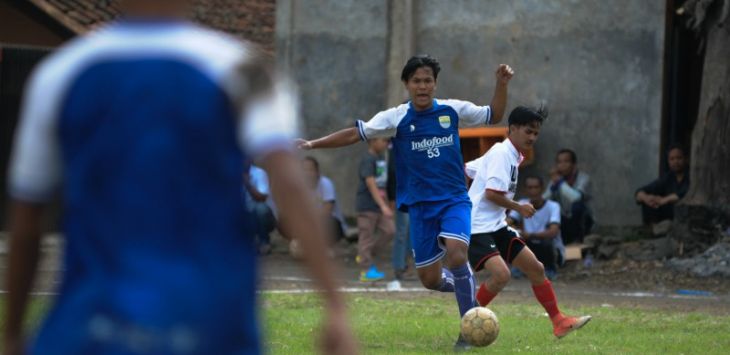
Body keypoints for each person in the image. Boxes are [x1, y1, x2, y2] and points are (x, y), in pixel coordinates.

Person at [2, 1, 357, 354]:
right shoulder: (243, 68)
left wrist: (14, 331)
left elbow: (28, 218)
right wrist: (336, 309)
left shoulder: (61, 73)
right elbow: (290, 183)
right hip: (210, 323)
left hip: (93, 324)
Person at [298, 54, 514, 349]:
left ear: (435, 84)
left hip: (454, 200)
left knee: (457, 254)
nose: (422, 86)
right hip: (420, 208)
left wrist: (501, 84)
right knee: (429, 279)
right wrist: (313, 143)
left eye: (427, 81)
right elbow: (355, 134)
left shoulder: (451, 110)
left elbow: (495, 114)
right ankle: (468, 290)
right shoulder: (396, 117)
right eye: (416, 81)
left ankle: (466, 331)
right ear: (406, 84)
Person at [466, 105, 591, 339]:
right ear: (512, 129)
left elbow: (470, 169)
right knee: (502, 275)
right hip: (477, 228)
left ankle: (559, 322)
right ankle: (468, 327)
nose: (532, 137)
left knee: (536, 268)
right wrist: (518, 207)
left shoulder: (510, 154)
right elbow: (491, 194)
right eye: (528, 131)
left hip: (496, 226)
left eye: (536, 133)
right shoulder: (502, 154)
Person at [507, 175, 565, 280]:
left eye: (536, 187)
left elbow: (553, 231)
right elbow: (508, 223)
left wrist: (530, 235)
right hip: (529, 244)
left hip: (547, 248)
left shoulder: (553, 206)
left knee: (546, 242)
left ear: (542, 188)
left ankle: (549, 269)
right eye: (530, 188)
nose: (533, 191)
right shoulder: (522, 204)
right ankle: (521, 268)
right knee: (514, 239)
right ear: (525, 190)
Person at [355, 138, 395, 282]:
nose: (386, 143)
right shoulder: (368, 159)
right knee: (366, 237)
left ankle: (364, 255)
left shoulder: (380, 158)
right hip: (367, 205)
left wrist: (387, 203)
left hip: (379, 206)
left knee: (390, 230)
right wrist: (383, 206)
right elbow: (371, 183)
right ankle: (365, 271)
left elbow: (383, 184)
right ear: (372, 141)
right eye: (383, 140)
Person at [543, 148, 593, 244]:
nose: (562, 165)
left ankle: (580, 239)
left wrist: (560, 183)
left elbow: (576, 198)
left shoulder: (584, 178)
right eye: (559, 162)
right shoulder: (556, 180)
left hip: (584, 221)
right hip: (564, 220)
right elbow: (544, 199)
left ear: (574, 165)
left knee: (577, 206)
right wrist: (553, 186)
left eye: (566, 161)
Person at [635, 144, 690, 225]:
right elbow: (642, 190)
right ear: (668, 161)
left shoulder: (692, 175)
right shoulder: (668, 177)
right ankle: (652, 230)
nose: (675, 161)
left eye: (679, 158)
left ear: (686, 159)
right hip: (669, 214)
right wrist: (646, 198)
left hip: (685, 214)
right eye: (672, 159)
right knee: (650, 201)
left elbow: (685, 192)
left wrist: (664, 200)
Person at [243, 163, 276, 255]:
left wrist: (247, 183)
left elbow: (262, 198)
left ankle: (264, 241)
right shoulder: (231, 171)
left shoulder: (259, 173)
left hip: (262, 217)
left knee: (260, 209)